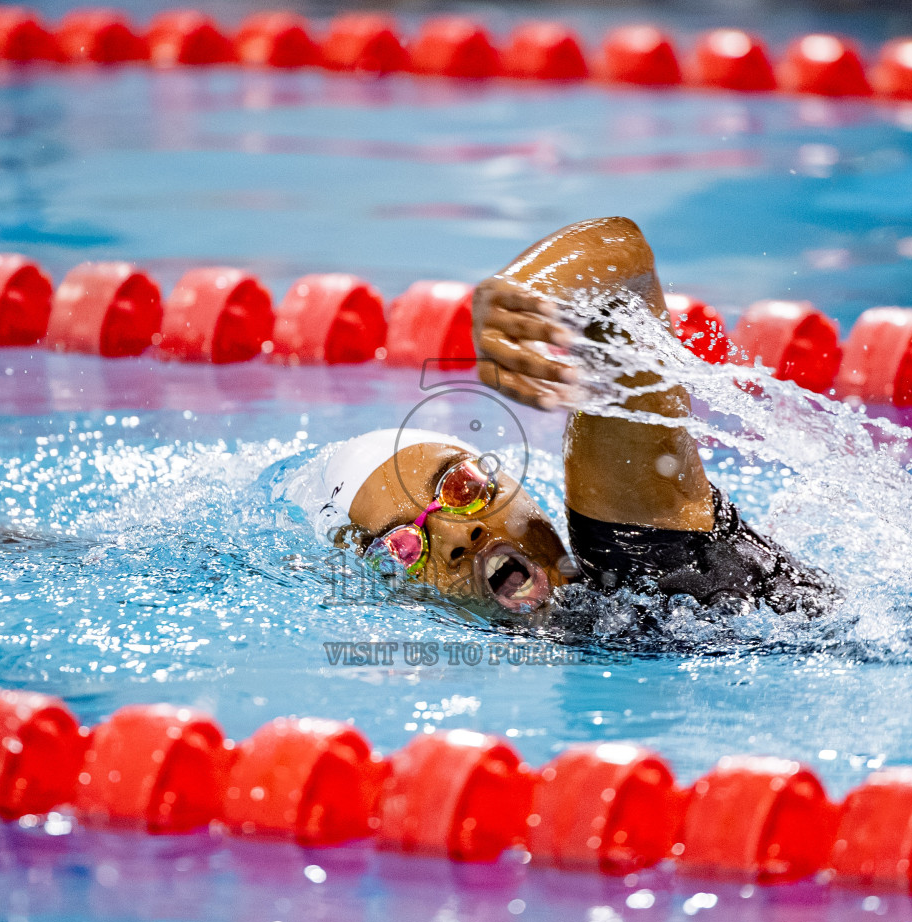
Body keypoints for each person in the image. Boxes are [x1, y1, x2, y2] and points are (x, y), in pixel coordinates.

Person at [284, 217, 834, 620]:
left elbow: (626, 269)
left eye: (459, 486)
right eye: (404, 546)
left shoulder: (635, 550)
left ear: (516, 483)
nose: (457, 535)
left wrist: (524, 288)